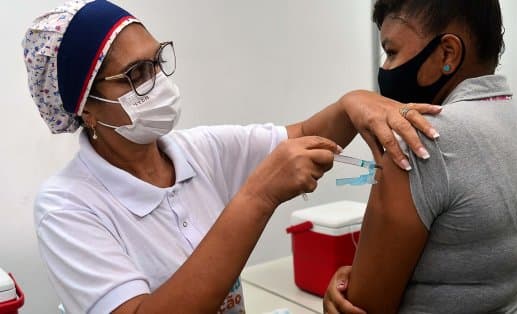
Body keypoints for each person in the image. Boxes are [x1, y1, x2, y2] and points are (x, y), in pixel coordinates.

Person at [22, 1, 442, 313]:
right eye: (135, 75)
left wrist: (354, 102)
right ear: (86, 108)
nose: (158, 82)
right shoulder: (67, 205)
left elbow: (303, 135)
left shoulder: (197, 151)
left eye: (156, 61)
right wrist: (258, 197)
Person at [324, 0, 517, 313]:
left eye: (391, 52)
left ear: (447, 54)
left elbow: (361, 306)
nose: (385, 70)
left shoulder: (420, 143)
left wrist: (344, 287)